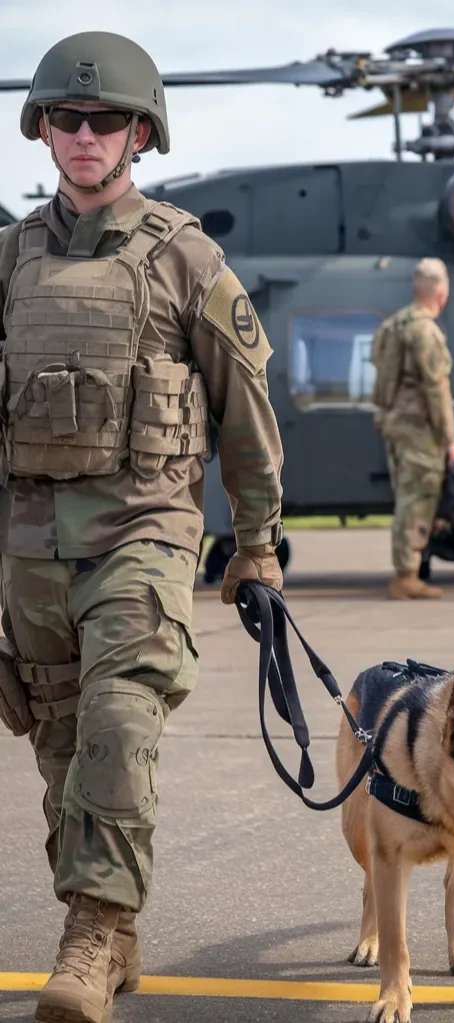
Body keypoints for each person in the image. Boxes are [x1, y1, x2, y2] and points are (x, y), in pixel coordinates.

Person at [0, 31, 284, 1023]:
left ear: (140, 133)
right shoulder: (12, 259)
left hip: (144, 537)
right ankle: (114, 932)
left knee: (121, 728)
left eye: (105, 119)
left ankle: (86, 936)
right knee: (66, 753)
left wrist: (256, 545)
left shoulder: (184, 256)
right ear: (41, 129)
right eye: (67, 119)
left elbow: (246, 410)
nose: (85, 136)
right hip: (33, 554)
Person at [371, 257, 454, 599]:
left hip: (396, 424)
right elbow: (436, 389)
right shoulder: (425, 331)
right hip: (419, 428)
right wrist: (450, 440)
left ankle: (407, 570)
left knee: (407, 497)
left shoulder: (395, 325)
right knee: (418, 498)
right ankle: (406, 575)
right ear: (441, 293)